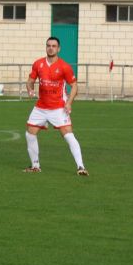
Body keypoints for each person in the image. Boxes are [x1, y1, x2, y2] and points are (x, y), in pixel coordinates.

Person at [23, 36, 88, 176]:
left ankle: (81, 167)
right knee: (30, 133)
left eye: (53, 46)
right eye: (48, 45)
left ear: (58, 49)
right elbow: (30, 81)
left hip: (58, 108)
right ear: (46, 47)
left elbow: (74, 86)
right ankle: (35, 166)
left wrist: (69, 103)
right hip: (41, 107)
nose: (50, 48)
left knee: (68, 135)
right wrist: (30, 89)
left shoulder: (64, 66)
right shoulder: (38, 64)